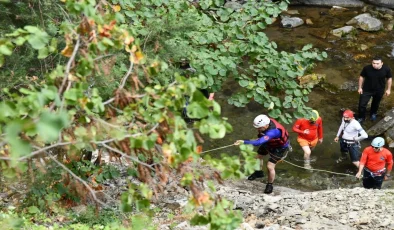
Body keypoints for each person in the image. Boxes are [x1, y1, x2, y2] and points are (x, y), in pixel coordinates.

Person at [234, 114, 291, 194]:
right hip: (269, 143)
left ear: (266, 125)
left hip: (279, 147)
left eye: (259, 128)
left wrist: (243, 142)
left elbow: (258, 143)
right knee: (257, 157)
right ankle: (258, 173)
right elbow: (261, 139)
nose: (258, 130)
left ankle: (270, 184)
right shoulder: (267, 122)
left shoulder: (272, 132)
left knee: (270, 166)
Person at [357, 56, 392, 123]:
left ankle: (373, 114)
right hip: (367, 89)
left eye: (377, 63)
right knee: (362, 104)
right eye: (373, 63)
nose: (375, 65)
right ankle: (361, 117)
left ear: (382, 63)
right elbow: (361, 77)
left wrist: (388, 89)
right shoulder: (367, 68)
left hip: (379, 90)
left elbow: (389, 78)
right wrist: (360, 88)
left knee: (376, 103)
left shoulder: (386, 69)